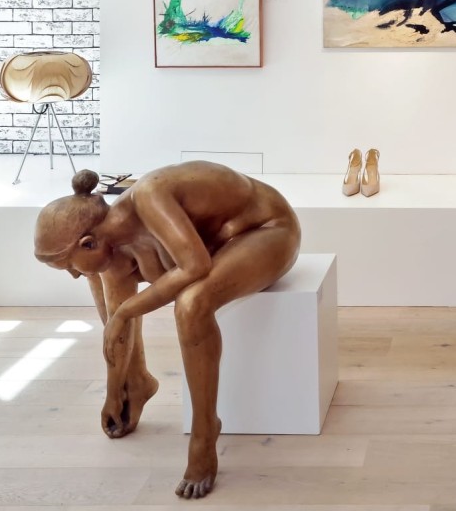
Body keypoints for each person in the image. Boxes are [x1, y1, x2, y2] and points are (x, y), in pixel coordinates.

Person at [33, 162, 301, 499]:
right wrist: (114, 392)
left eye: (69, 266)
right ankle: (137, 384)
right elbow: (115, 327)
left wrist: (126, 312)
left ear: (88, 243)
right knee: (107, 285)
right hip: (216, 246)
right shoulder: (112, 246)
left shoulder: (150, 196)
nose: (73, 274)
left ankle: (205, 433)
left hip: (267, 230)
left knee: (191, 304)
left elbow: (195, 266)